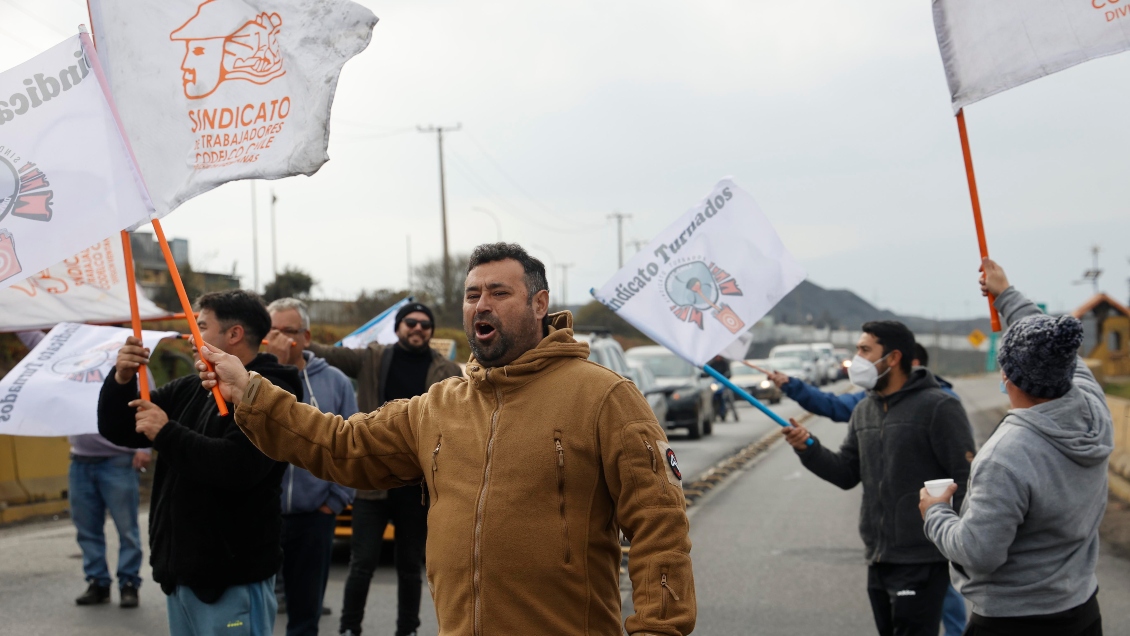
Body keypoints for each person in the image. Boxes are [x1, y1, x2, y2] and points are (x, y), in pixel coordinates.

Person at [197, 242, 697, 636]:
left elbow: (659, 527)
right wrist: (251, 395)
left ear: (539, 304)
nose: (482, 304)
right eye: (472, 294)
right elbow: (341, 446)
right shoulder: (438, 404)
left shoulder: (604, 396)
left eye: (499, 293)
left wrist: (659, 629)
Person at [920, 258, 1112, 636]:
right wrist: (1004, 293)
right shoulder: (1092, 406)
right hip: (1082, 609)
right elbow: (1053, 348)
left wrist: (936, 513)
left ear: (1005, 374)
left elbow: (979, 553)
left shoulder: (1006, 456)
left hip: (1013, 622)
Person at [98, 289, 302, 636]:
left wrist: (166, 433)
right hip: (183, 576)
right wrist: (121, 378)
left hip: (231, 579)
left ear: (234, 334)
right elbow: (121, 428)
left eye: (200, 325)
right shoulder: (191, 388)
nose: (190, 336)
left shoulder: (270, 392)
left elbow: (238, 467)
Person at [781, 320, 976, 636]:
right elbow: (846, 473)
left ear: (893, 357)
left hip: (924, 558)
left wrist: (961, 547)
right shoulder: (864, 411)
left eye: (865, 349)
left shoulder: (939, 406)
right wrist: (808, 448)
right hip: (879, 557)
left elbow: (967, 479)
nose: (857, 357)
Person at [305, 300, 461, 636]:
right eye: (411, 322)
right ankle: (349, 629)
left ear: (430, 331)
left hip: (416, 485)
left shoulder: (445, 371)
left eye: (424, 324)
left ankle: (408, 630)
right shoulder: (373, 357)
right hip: (371, 481)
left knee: (410, 567)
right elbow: (329, 355)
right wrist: (299, 341)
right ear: (399, 327)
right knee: (361, 566)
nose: (418, 327)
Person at [17, 330, 150, 609]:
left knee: (126, 528)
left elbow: (148, 398)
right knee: (86, 528)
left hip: (117, 460)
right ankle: (97, 582)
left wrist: (143, 447)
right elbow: (39, 343)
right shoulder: (72, 356)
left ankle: (128, 583)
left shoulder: (128, 359)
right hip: (81, 459)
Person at [265, 298, 358, 636]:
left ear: (305, 337)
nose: (277, 339)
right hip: (262, 513)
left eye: (287, 332)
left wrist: (332, 502)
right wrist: (270, 369)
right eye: (271, 331)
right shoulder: (253, 377)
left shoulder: (334, 381)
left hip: (314, 515)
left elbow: (353, 446)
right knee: (253, 610)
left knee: (305, 615)